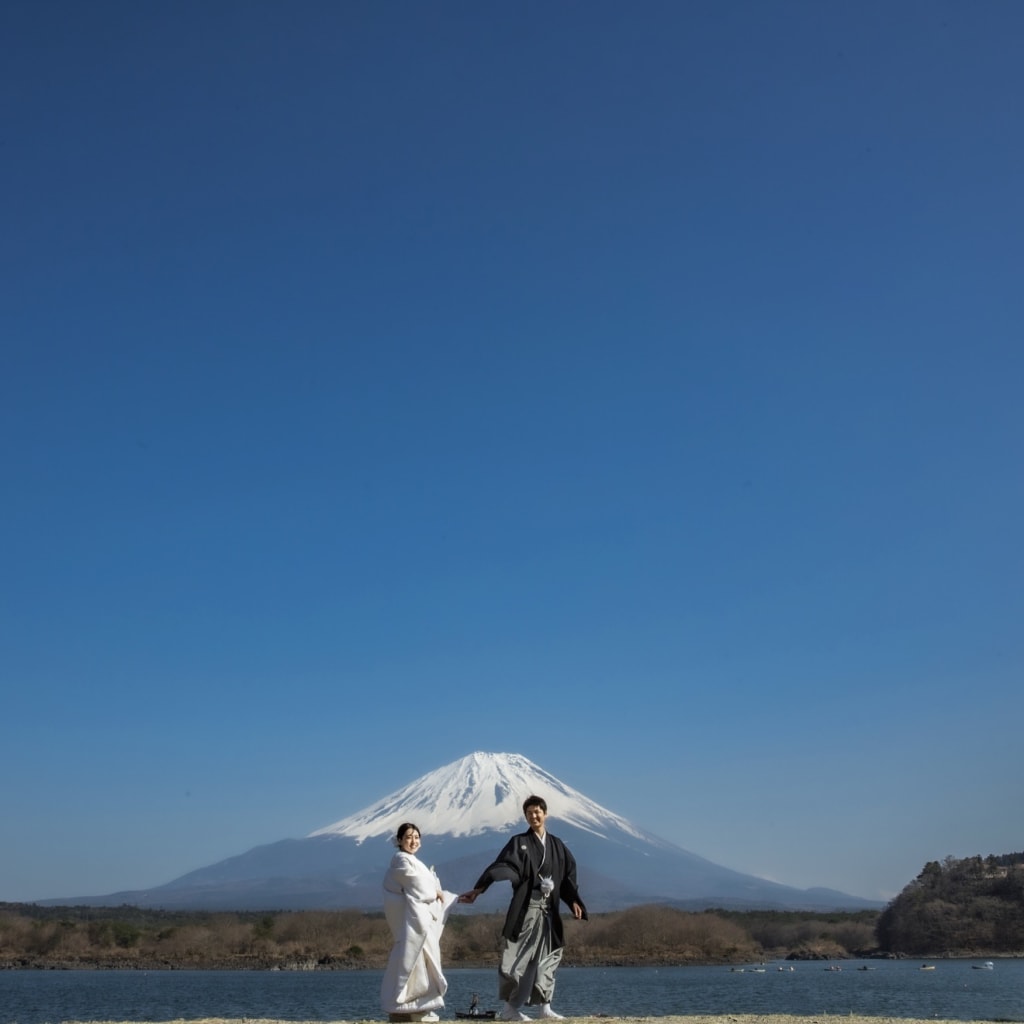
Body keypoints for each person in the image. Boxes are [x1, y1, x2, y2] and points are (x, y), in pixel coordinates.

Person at [459, 795, 587, 1021]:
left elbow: (567, 876)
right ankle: (510, 1009)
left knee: (548, 956)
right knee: (518, 957)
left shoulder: (557, 845)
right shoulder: (519, 842)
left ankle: (544, 1007)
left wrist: (574, 900)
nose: (534, 816)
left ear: (545, 814)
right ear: (525, 817)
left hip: (550, 909)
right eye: (529, 813)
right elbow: (501, 865)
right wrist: (479, 889)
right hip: (527, 907)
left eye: (537, 812)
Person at [381, 822, 460, 1022]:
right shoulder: (400, 859)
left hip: (418, 921)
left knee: (421, 964)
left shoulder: (414, 861)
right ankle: (404, 1006)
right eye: (408, 837)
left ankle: (419, 1007)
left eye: (417, 837)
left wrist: (452, 897)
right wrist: (435, 891)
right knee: (410, 963)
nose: (413, 840)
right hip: (412, 924)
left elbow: (428, 887)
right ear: (399, 840)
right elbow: (419, 886)